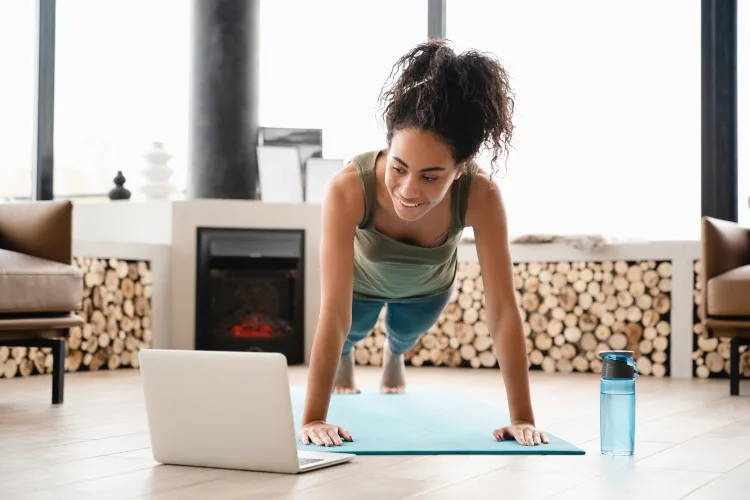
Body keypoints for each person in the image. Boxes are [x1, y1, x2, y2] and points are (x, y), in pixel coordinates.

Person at [297, 39, 548, 448]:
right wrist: (313, 419)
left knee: (404, 335)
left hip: (427, 287)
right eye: (399, 167)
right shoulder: (348, 188)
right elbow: (333, 311)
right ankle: (348, 356)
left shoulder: (481, 195)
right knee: (349, 331)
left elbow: (503, 309)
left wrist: (522, 418)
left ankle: (393, 355)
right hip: (359, 287)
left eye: (431, 177)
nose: (408, 190)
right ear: (388, 148)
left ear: (460, 169)